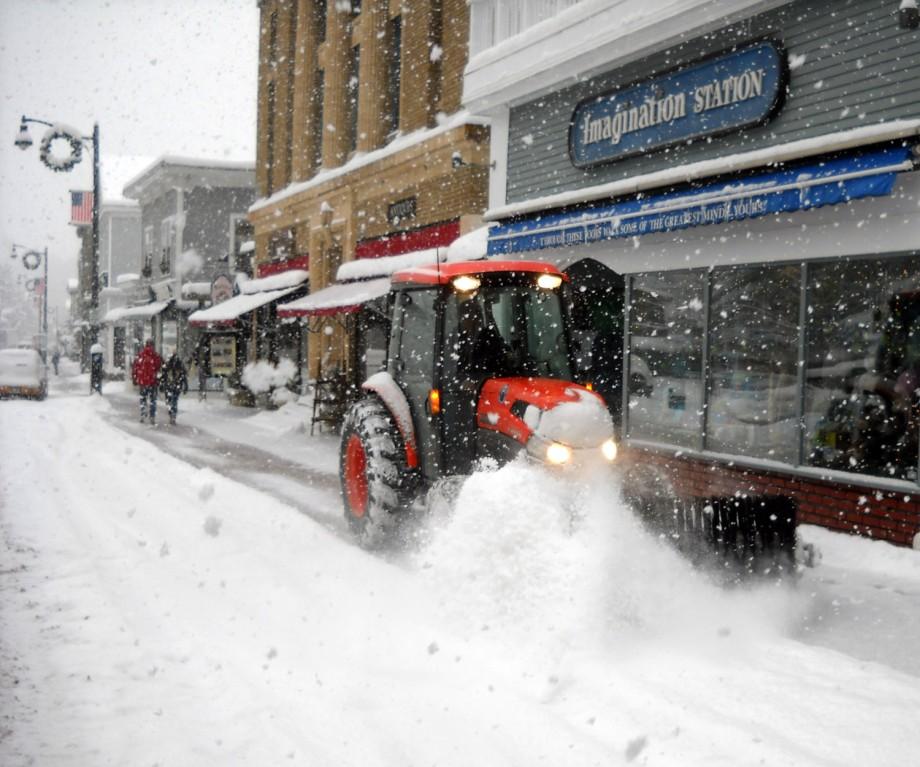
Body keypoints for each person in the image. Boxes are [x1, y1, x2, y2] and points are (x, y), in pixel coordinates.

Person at [132, 339, 162, 424]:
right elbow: (158, 367)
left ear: (145, 345)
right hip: (152, 382)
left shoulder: (140, 355)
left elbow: (135, 367)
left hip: (143, 381)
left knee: (143, 398)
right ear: (153, 345)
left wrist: (135, 378)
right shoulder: (156, 356)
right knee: (152, 400)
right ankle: (152, 416)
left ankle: (143, 413)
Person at [159, 349, 188, 425]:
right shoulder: (180, 364)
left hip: (169, 385)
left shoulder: (168, 364)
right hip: (177, 385)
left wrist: (162, 384)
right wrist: (185, 385)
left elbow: (164, 375)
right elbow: (184, 375)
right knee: (175, 400)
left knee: (169, 400)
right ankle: (173, 415)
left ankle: (171, 413)